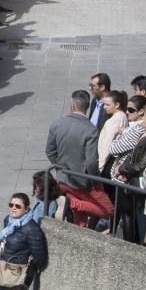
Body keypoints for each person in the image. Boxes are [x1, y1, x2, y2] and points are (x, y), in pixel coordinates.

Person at [45, 90, 112, 229]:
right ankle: (73, 203)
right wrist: (96, 182)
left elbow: (50, 151)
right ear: (87, 107)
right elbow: (91, 161)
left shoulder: (57, 123)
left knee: (79, 217)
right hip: (82, 180)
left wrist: (60, 166)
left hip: (63, 178)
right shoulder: (90, 129)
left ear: (72, 104)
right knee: (107, 209)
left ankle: (78, 224)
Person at [0, 193, 48, 290]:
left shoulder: (32, 230)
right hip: (3, 268)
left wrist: (27, 270)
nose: (13, 208)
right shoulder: (8, 220)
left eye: (18, 206)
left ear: (27, 208)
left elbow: (39, 256)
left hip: (17, 274)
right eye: (11, 205)